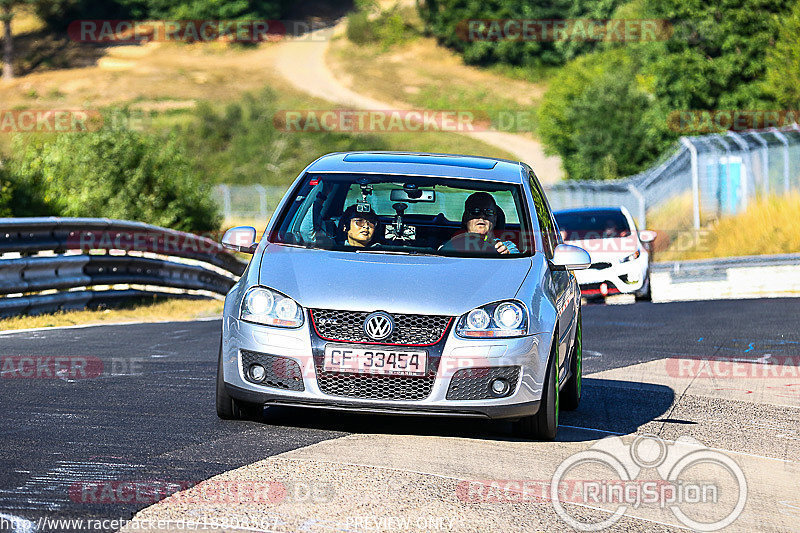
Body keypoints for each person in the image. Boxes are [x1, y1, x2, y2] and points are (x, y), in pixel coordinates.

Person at [443, 192, 519, 254]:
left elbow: (518, 266)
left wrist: (507, 256)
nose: (482, 216)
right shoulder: (451, 245)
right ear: (466, 218)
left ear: (495, 219)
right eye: (475, 211)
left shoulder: (507, 246)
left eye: (488, 212)